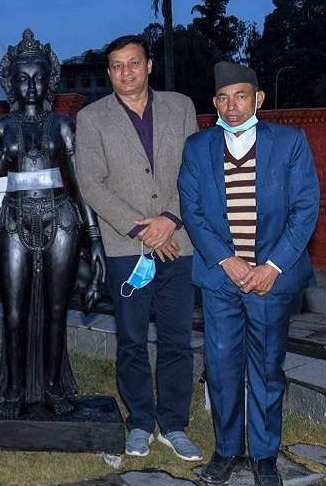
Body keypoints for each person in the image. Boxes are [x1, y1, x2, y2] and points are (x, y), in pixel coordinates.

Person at [179, 62, 319, 486]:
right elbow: (193, 211)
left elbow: (305, 208)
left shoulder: (290, 142)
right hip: (221, 279)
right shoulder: (198, 146)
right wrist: (228, 260)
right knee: (221, 368)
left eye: (240, 96)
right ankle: (226, 451)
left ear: (258, 98)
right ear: (215, 103)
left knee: (266, 368)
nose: (231, 106)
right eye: (222, 98)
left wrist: (271, 266)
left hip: (270, 279)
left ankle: (264, 456)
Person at [75, 34, 201, 460]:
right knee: (130, 339)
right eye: (116, 66)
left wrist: (169, 221)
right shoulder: (91, 119)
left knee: (176, 340)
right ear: (108, 72)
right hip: (126, 247)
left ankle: (174, 423)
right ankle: (141, 422)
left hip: (179, 242)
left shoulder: (181, 107)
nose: (125, 72)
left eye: (133, 63)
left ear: (149, 66)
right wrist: (143, 230)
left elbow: (196, 171)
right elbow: (91, 182)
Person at [0, 28, 105, 418]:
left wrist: (94, 237)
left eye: (38, 77)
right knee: (13, 309)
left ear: (50, 81)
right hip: (14, 218)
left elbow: (80, 184)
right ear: (10, 84)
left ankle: (51, 386)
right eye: (22, 78)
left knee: (56, 307)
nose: (31, 86)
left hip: (60, 217)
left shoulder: (62, 124)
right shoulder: (2, 127)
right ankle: (13, 385)